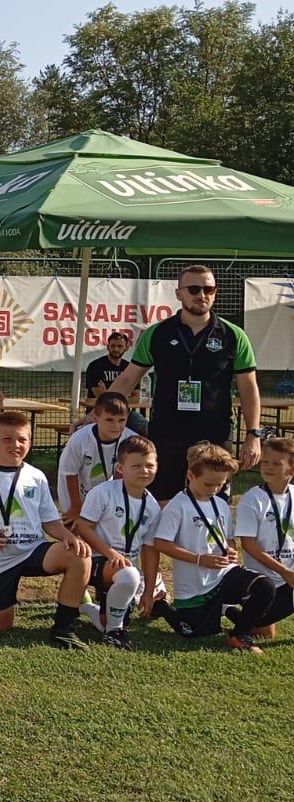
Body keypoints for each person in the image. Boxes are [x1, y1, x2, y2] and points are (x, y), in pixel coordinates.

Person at [108, 264, 260, 500]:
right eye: (194, 289)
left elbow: (248, 389)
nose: (202, 295)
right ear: (179, 293)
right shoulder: (157, 333)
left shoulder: (234, 335)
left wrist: (253, 434)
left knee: (212, 505)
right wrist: (95, 412)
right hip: (166, 433)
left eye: (209, 289)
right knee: (162, 504)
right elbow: (128, 378)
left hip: (214, 435)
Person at [0, 410, 92, 649]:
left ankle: (63, 628)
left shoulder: (36, 476)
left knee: (80, 555)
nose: (15, 445)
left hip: (31, 550)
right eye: (7, 439)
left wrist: (68, 536)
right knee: (1, 624)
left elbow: (49, 521)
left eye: (22, 439)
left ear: (30, 442)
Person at [152, 443, 275, 652]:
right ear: (190, 475)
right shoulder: (178, 505)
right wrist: (200, 559)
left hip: (223, 574)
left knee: (264, 586)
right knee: (192, 632)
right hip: (195, 586)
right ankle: (161, 605)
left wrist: (230, 550)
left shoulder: (220, 504)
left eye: (220, 484)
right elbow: (161, 543)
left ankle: (239, 634)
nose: (214, 489)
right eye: (208, 484)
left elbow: (227, 539)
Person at [72, 435, 160, 650]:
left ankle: (89, 608)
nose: (144, 471)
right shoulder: (103, 492)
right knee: (129, 577)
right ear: (120, 468)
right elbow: (83, 526)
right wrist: (110, 553)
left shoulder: (153, 506)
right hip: (98, 561)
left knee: (106, 619)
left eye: (149, 465)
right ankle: (115, 632)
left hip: (126, 569)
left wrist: (148, 590)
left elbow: (150, 549)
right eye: (136, 466)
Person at [234, 434, 294, 641]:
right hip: (263, 582)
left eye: (276, 463)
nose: (268, 467)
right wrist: (284, 572)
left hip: (289, 576)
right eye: (265, 461)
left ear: (291, 470)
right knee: (262, 631)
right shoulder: (252, 499)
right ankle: (230, 610)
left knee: (264, 632)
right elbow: (248, 545)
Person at [57, 392, 134, 520]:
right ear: (96, 418)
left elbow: (120, 475)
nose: (116, 426)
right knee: (75, 527)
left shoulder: (130, 440)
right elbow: (70, 473)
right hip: (74, 493)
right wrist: (76, 507)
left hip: (103, 493)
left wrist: (113, 500)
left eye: (121, 420)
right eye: (109, 420)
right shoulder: (79, 439)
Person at [83, 330, 133, 400]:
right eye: (113, 346)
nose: (116, 349)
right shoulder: (95, 366)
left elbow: (136, 396)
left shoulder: (130, 368)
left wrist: (106, 393)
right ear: (107, 347)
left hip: (124, 407)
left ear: (126, 348)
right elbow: (101, 397)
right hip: (98, 407)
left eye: (120, 346)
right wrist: (123, 395)